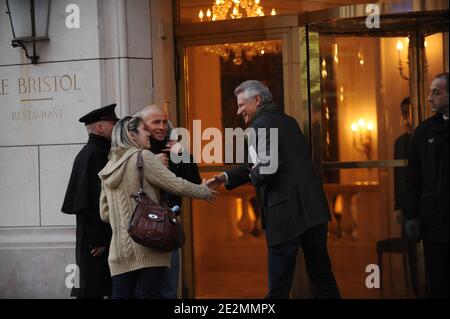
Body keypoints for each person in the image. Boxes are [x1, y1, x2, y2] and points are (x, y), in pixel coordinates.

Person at [207, 80, 340, 299]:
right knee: (322, 276)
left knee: (278, 287)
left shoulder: (259, 127)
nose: (238, 110)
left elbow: (265, 170)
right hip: (313, 212)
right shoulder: (288, 122)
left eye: (241, 104)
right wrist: (224, 177)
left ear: (257, 100)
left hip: (286, 215)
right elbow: (259, 164)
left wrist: (254, 176)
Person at [98, 116, 216, 299]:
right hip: (149, 245)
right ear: (132, 135)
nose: (148, 134)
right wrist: (204, 191)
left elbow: (105, 214)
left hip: (119, 252)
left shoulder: (108, 167)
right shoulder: (143, 157)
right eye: (143, 129)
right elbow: (176, 184)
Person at [137, 105, 202, 299]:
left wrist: (181, 152)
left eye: (164, 121)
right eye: (156, 122)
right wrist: (151, 163)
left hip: (168, 225)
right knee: (144, 288)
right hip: (140, 226)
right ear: (142, 126)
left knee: (168, 285)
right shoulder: (135, 151)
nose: (162, 126)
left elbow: (194, 181)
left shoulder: (174, 148)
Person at [61, 103, 119, 299]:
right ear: (100, 127)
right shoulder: (94, 154)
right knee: (93, 287)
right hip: (96, 239)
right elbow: (90, 202)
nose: (116, 126)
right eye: (112, 122)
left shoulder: (96, 151)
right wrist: (98, 239)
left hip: (96, 235)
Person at [404, 72, 449, 299]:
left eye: (436, 92)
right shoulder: (424, 132)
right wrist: (410, 215)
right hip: (434, 222)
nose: (430, 98)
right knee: (438, 282)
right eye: (430, 91)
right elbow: (414, 176)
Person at [393, 97, 418, 296]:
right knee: (410, 249)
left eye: (409, 112)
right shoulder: (400, 142)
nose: (407, 117)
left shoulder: (425, 135)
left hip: (426, 203)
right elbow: (398, 177)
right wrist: (398, 207)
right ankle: (414, 288)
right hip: (407, 205)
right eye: (404, 113)